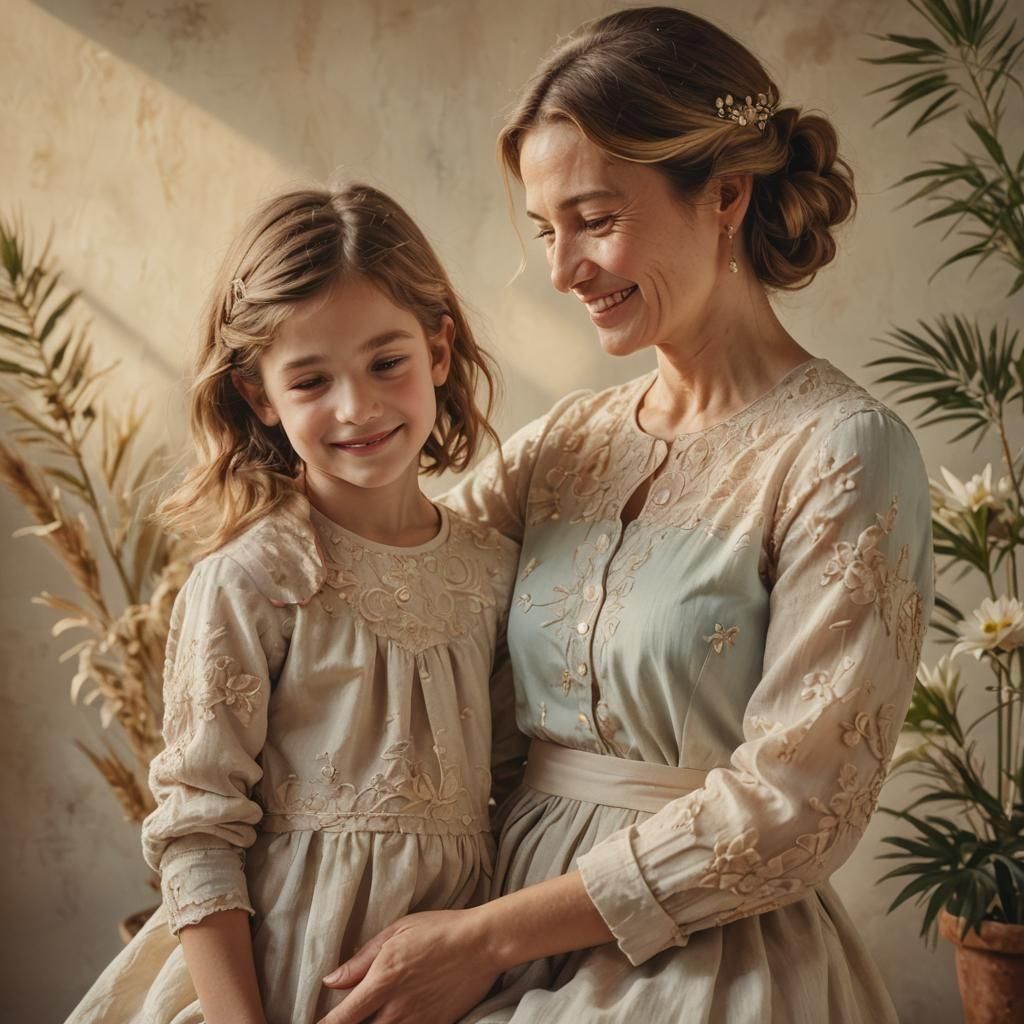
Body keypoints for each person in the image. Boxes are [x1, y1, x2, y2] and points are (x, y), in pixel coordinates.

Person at [316, 8, 934, 1024]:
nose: (562, 270)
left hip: (707, 960)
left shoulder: (842, 452)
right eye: (544, 229)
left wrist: (484, 939)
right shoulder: (566, 445)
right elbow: (389, 586)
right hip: (484, 913)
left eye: (594, 220)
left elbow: (794, 809)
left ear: (725, 194)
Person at [65, 184, 525, 1024]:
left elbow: (517, 789)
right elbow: (198, 831)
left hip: (452, 986)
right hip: (278, 984)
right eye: (311, 379)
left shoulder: (494, 574)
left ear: (440, 348)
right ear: (258, 395)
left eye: (388, 362)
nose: (359, 407)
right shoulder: (254, 580)